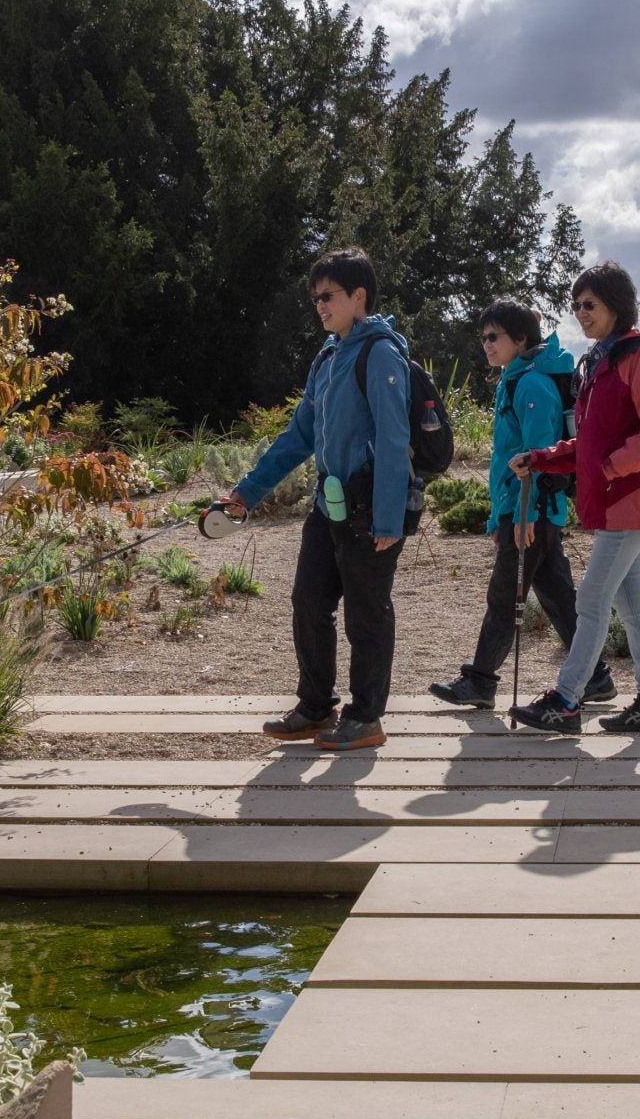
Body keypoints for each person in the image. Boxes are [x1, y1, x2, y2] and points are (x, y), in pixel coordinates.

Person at [218, 248, 413, 752]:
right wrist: (248, 492)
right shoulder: (327, 357)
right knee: (308, 601)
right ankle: (315, 706)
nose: (320, 306)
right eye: (315, 298)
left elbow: (395, 442)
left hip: (371, 511)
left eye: (328, 296)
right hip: (328, 508)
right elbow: (298, 434)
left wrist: (390, 518)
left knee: (366, 616)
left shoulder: (382, 355)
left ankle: (366, 718)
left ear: (358, 296)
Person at [509, 262, 640, 734]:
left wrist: (609, 469)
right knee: (631, 605)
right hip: (615, 503)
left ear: (616, 306)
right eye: (576, 305)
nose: (581, 313)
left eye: (590, 304)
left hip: (628, 499)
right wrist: (542, 458)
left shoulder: (637, 357)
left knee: (589, 601)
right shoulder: (601, 362)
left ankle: (566, 701)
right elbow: (589, 443)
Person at [430, 301, 615, 709]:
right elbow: (506, 460)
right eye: (483, 338)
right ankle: (597, 677)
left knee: (504, 597)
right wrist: (500, 515)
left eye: (493, 336)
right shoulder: (514, 381)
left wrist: (522, 516)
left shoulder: (530, 386)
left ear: (520, 339)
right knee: (558, 597)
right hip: (531, 511)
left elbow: (536, 456)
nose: (486, 345)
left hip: (532, 510)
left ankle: (480, 682)